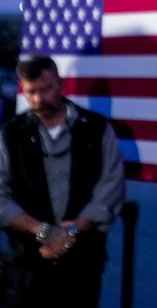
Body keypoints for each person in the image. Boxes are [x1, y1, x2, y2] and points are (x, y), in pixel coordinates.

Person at [0, 55, 125, 307]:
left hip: (83, 263)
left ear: (61, 84)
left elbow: (111, 187)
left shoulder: (96, 129)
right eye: (31, 92)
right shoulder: (11, 134)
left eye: (46, 89)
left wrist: (72, 230)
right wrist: (43, 232)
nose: (38, 99)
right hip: (28, 264)